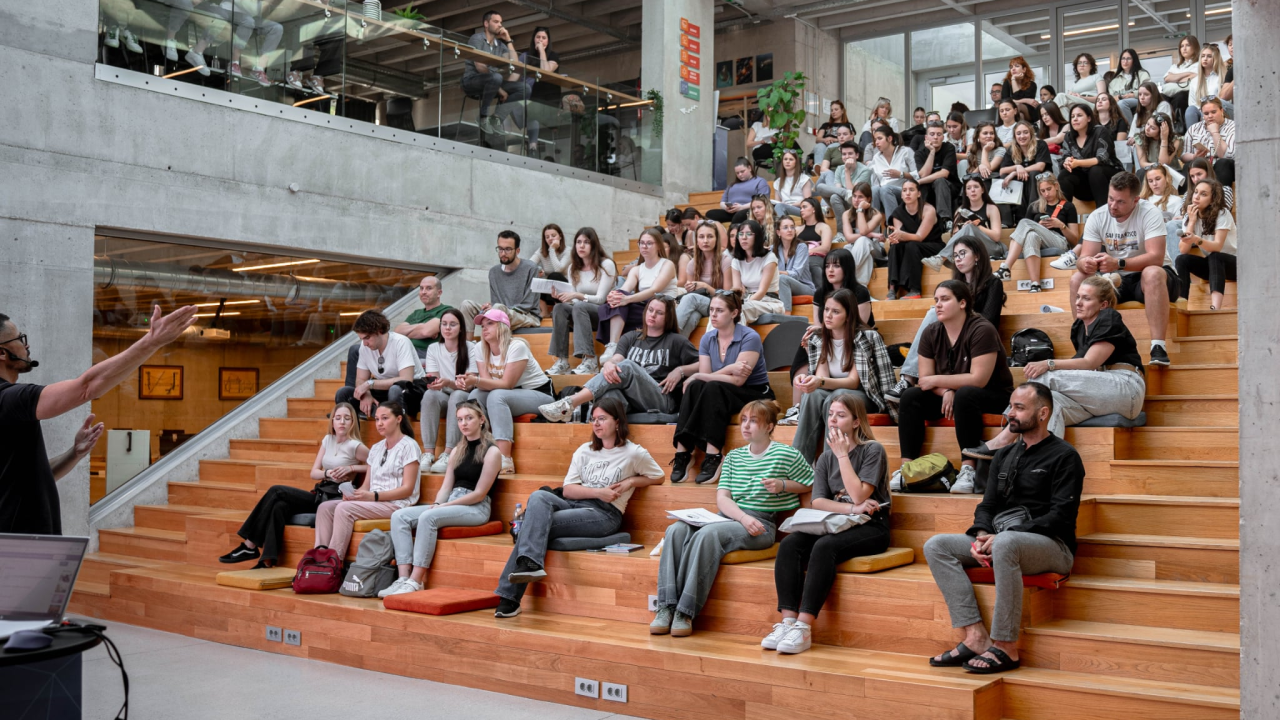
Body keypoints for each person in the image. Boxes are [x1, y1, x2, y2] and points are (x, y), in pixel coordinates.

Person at [924, 382, 1083, 674]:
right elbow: (987, 506)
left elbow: (1060, 516)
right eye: (1010, 406)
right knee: (937, 545)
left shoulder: (1064, 456)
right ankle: (975, 636)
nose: (1011, 413)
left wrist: (1004, 538)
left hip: (1052, 546)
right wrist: (981, 535)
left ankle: (1006, 647)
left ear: (1043, 412)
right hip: (1002, 539)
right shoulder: (1004, 455)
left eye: (1020, 408)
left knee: (1007, 543)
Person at [0, 305, 195, 534]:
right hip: (18, 548)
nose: (27, 345)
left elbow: (33, 477)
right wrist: (152, 341)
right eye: (20, 339)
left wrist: (74, 453)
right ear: (2, 353)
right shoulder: (8, 400)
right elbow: (87, 387)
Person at [652, 400, 813, 637]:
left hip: (762, 525)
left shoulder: (786, 454)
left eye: (754, 421)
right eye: (744, 420)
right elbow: (723, 499)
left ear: (769, 426)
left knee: (708, 534)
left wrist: (783, 485)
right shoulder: (734, 456)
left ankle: (685, 611)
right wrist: (742, 518)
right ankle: (666, 606)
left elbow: (811, 482)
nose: (746, 426)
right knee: (676, 530)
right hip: (731, 518)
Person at [495, 398, 666, 618]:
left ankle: (509, 597)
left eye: (602, 418)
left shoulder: (634, 453)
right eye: (593, 419)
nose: (596, 424)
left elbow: (659, 476)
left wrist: (631, 482)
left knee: (533, 524)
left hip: (604, 513)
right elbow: (568, 490)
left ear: (617, 421)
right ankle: (529, 565)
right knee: (539, 496)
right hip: (576, 503)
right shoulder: (584, 450)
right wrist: (598, 492)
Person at [966, 278, 1144, 463]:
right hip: (1098, 394)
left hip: (1125, 388)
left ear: (1104, 304)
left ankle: (1004, 438)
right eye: (1077, 297)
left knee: (1045, 376)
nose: (1078, 303)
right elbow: (1080, 371)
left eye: (1086, 298)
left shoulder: (1108, 317)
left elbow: (1090, 363)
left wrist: (1048, 363)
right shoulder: (1080, 328)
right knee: (1050, 404)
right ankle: (1042, 467)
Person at [767, 394, 889, 654]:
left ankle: (803, 627)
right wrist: (851, 508)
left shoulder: (872, 450)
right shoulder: (824, 458)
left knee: (824, 548)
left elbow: (859, 494)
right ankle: (788, 621)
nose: (833, 420)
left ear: (856, 422)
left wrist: (843, 456)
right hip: (834, 521)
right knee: (789, 544)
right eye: (831, 414)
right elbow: (818, 502)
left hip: (871, 526)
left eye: (841, 415)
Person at [894, 280, 1014, 495]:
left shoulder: (982, 329)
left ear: (962, 303)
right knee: (910, 396)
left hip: (993, 395)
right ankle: (907, 468)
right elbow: (925, 380)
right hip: (952, 394)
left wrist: (945, 387)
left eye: (945, 299)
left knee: (966, 394)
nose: (938, 305)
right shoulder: (931, 332)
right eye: (936, 300)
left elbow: (979, 379)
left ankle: (968, 468)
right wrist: (947, 390)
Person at [222, 402, 370, 567]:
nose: (342, 422)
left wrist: (351, 468)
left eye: (347, 418)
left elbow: (375, 463)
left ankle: (249, 545)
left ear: (352, 423)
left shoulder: (355, 446)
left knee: (276, 491)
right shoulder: (328, 440)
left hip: (334, 499)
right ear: (333, 422)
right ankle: (267, 560)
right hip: (320, 492)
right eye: (338, 418)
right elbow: (313, 472)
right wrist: (327, 473)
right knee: (279, 505)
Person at [380, 400, 500, 597]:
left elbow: (479, 493)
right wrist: (437, 503)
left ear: (481, 420)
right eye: (460, 419)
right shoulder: (456, 450)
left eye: (469, 418)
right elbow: (446, 486)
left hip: (476, 507)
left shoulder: (492, 451)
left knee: (429, 517)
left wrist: (444, 507)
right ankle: (403, 577)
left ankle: (416, 581)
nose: (464, 423)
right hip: (452, 501)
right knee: (399, 516)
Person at [1069, 171, 1175, 366]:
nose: (1113, 206)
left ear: (1136, 200)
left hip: (1154, 277)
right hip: (1117, 279)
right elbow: (1084, 257)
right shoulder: (1098, 215)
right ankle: (1084, 347)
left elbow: (1156, 258)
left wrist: (1118, 263)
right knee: (1077, 279)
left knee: (1152, 273)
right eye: (1110, 199)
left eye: (1120, 202)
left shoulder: (1150, 212)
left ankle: (1158, 346)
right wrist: (1084, 263)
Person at [669, 291, 775, 484]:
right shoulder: (707, 338)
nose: (713, 315)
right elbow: (706, 378)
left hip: (755, 392)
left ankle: (714, 455)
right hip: (721, 391)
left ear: (734, 313)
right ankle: (683, 452)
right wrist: (727, 369)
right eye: (711, 310)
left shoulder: (750, 337)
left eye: (719, 310)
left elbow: (738, 381)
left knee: (709, 386)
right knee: (696, 387)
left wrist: (700, 375)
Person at [887, 237, 1006, 406]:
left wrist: (955, 313)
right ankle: (908, 377)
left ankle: (908, 378)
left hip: (978, 342)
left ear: (977, 256)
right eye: (955, 255)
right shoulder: (954, 285)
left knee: (933, 313)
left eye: (963, 253)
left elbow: (989, 321)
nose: (957, 258)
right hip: (950, 340)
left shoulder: (993, 282)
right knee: (934, 313)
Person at [540, 296, 698, 422]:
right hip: (632, 397)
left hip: (662, 398)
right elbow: (616, 358)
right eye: (650, 310)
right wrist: (608, 364)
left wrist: (681, 370)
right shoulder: (631, 337)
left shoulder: (677, 341)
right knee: (609, 395)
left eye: (659, 313)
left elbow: (705, 364)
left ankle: (570, 403)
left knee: (627, 366)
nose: (652, 315)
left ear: (668, 317)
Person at [790, 289, 893, 462]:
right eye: (827, 309)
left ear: (848, 315)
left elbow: (853, 382)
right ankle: (798, 465)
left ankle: (830, 464)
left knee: (837, 399)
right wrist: (809, 381)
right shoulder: (820, 338)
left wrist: (819, 381)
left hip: (865, 395)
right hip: (836, 393)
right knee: (812, 395)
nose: (828, 315)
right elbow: (822, 381)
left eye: (836, 311)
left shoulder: (865, 337)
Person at [314, 401, 421, 562]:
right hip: (374, 501)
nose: (379, 423)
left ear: (399, 419)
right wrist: (355, 495)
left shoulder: (409, 446)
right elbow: (366, 486)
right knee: (325, 507)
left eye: (384, 418)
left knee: (344, 509)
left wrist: (373, 496)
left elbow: (407, 489)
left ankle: (334, 562)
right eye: (377, 419)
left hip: (397, 504)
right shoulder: (376, 448)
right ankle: (318, 557)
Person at [458, 309, 554, 474]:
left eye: (490, 323)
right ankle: (479, 451)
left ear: (502, 326)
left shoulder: (517, 346)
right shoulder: (480, 347)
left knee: (497, 396)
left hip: (541, 395)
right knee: (474, 396)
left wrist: (476, 380)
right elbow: (487, 384)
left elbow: (507, 384)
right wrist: (468, 381)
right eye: (482, 325)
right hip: (509, 395)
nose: (484, 328)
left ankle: (504, 458)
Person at [597, 228, 678, 360]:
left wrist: (626, 299)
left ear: (658, 245)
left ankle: (615, 346)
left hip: (664, 306)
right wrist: (615, 296)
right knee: (608, 306)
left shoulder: (667, 264)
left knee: (622, 303)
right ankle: (613, 345)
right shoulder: (636, 269)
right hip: (645, 306)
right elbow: (625, 289)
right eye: (641, 243)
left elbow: (654, 290)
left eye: (649, 243)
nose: (644, 246)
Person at [545, 227, 617, 376]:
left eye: (586, 242)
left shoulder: (606, 265)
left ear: (594, 245)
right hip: (581, 312)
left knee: (580, 306)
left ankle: (590, 361)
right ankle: (562, 361)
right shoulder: (573, 268)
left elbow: (600, 299)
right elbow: (573, 300)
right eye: (578, 242)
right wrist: (562, 297)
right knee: (559, 308)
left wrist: (577, 295)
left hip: (604, 313)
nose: (581, 246)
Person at [419, 308, 479, 473]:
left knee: (457, 395)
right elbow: (435, 380)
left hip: (465, 395)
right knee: (430, 394)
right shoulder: (433, 348)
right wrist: (436, 383)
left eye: (452, 324)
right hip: (445, 394)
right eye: (444, 324)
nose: (447, 328)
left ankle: (449, 453)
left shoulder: (471, 348)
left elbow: (469, 384)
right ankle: (429, 453)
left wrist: (449, 383)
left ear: (461, 328)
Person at [335, 309, 425, 418]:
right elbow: (360, 380)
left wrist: (369, 384)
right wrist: (366, 394)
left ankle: (397, 429)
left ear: (380, 331)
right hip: (383, 390)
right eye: (362, 339)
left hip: (411, 390)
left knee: (395, 389)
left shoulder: (401, 342)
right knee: (343, 393)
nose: (364, 343)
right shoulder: (364, 347)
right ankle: (353, 433)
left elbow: (405, 380)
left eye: (367, 338)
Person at [1000, 173, 1079, 291]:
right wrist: (1038, 227)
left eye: (1049, 189)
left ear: (1056, 186)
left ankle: (1006, 267)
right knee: (1031, 235)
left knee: (1025, 222)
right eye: (1042, 191)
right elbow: (1025, 233)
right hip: (1038, 241)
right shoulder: (1034, 207)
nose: (1046, 194)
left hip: (1060, 241)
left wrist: (1061, 225)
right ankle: (1035, 284)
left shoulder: (1068, 206)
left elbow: (1075, 241)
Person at [461, 11, 529, 138]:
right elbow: (479, 66)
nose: (500, 25)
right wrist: (500, 89)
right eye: (496, 22)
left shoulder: (500, 45)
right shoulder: (477, 38)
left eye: (501, 22)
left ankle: (496, 118)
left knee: (525, 88)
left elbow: (515, 63)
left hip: (493, 82)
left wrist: (508, 40)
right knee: (496, 77)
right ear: (486, 24)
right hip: (471, 81)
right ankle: (483, 116)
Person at [461, 230, 542, 336]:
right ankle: (468, 347)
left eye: (508, 249)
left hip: (526, 316)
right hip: (500, 312)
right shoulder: (494, 272)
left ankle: (493, 346)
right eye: (500, 249)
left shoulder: (531, 268)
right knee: (466, 305)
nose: (503, 253)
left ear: (517, 250)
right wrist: (489, 308)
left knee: (498, 308)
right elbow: (496, 302)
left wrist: (498, 308)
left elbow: (528, 304)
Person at [1175, 179, 1237, 311]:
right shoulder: (1189, 215)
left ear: (1213, 198)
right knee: (1182, 260)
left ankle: (1215, 308)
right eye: (1196, 192)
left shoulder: (1222, 213)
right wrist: (1191, 222)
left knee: (1215, 256)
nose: (1196, 196)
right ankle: (1182, 304)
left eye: (1203, 194)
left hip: (1235, 264)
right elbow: (1183, 250)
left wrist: (1196, 240)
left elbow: (1217, 246)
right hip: (1213, 265)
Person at [925, 176, 1005, 272]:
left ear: (982, 189)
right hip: (969, 250)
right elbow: (955, 236)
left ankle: (941, 258)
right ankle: (967, 261)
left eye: (976, 187)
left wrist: (977, 226)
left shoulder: (991, 208)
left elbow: (996, 236)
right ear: (965, 192)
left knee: (969, 227)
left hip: (992, 248)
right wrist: (963, 228)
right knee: (967, 228)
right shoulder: (960, 210)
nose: (973, 190)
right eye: (969, 188)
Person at [885, 177, 945, 300]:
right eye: (904, 190)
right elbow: (900, 236)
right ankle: (892, 289)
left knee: (912, 245)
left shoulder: (928, 209)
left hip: (932, 245)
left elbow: (919, 237)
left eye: (911, 190)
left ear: (918, 194)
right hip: (911, 246)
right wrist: (894, 238)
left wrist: (901, 236)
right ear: (901, 194)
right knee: (896, 246)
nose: (907, 193)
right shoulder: (898, 213)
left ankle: (915, 290)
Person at [1049, 104, 1122, 205]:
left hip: (1109, 181)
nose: (1075, 119)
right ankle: (1063, 214)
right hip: (1085, 186)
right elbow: (1065, 157)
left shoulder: (1100, 131)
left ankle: (1103, 213)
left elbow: (1102, 158)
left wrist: (1078, 162)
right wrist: (1067, 162)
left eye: (1079, 115)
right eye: (1072, 116)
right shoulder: (1069, 137)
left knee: (1095, 170)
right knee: (1064, 175)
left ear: (1088, 118)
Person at [676, 221, 732, 337]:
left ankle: (667, 335)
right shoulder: (692, 264)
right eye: (701, 237)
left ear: (717, 239)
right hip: (701, 304)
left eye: (710, 236)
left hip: (722, 303)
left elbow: (728, 295)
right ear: (697, 241)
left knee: (691, 299)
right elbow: (691, 293)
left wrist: (706, 287)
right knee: (693, 316)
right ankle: (674, 349)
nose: (705, 241)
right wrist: (690, 287)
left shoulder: (725, 261)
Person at [730, 220, 785, 324]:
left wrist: (739, 304)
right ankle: (710, 340)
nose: (744, 237)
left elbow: (761, 292)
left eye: (749, 234)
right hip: (749, 301)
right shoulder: (736, 261)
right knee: (721, 309)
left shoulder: (769, 257)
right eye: (741, 234)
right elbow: (737, 291)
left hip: (769, 302)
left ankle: (739, 340)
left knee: (738, 310)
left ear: (758, 237)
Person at [519, 26, 562, 155]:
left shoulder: (553, 55)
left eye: (544, 38)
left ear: (548, 41)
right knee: (533, 114)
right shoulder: (527, 57)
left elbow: (545, 71)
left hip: (549, 97)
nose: (540, 40)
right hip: (533, 96)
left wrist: (542, 51)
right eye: (538, 37)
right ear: (533, 39)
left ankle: (539, 146)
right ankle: (532, 147)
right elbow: (517, 74)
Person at [997, 120, 1052, 215]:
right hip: (1022, 182)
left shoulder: (1040, 144)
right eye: (1018, 134)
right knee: (1004, 178)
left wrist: (1016, 172)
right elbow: (1002, 171)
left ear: (1031, 134)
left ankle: (1032, 213)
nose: (1022, 136)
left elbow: (1040, 166)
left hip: (1040, 180)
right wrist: (1017, 167)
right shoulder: (1012, 149)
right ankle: (1007, 219)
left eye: (1025, 132)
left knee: (1034, 174)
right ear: (1015, 136)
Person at [840, 183, 888, 288]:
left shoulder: (876, 214)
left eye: (860, 197)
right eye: (854, 196)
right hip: (859, 251)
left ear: (868, 199)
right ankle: (862, 289)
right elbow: (849, 238)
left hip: (874, 248)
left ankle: (847, 276)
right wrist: (871, 234)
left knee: (863, 240)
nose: (856, 200)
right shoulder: (846, 214)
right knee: (845, 250)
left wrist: (860, 210)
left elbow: (863, 231)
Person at [1180, 97, 1235, 187]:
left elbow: (1227, 155)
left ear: (1221, 111)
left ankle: (1220, 198)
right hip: (1201, 165)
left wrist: (1215, 133)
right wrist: (1194, 156)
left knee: (1223, 163)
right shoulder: (1194, 128)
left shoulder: (1232, 126)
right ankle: (1188, 199)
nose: (1210, 116)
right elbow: (1183, 155)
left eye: (1213, 112)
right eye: (1206, 113)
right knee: (1188, 166)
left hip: (1222, 166)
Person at [813, 248, 875, 327]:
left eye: (836, 266)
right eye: (827, 266)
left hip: (858, 336)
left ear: (847, 268)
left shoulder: (860, 292)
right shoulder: (820, 293)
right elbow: (818, 325)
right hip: (829, 336)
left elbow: (860, 326)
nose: (830, 270)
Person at [867, 125, 918, 220]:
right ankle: (874, 229)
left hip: (902, 191)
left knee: (885, 189)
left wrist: (901, 174)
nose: (876, 142)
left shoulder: (906, 152)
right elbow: (875, 183)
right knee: (874, 190)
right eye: (875, 140)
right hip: (883, 193)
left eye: (879, 138)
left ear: (889, 138)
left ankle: (892, 226)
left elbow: (918, 175)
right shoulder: (876, 158)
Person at [393, 276, 450, 359]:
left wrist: (408, 334)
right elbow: (397, 332)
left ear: (439, 293)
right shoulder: (416, 313)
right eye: (421, 288)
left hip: (427, 354)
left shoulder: (447, 311)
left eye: (429, 288)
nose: (423, 292)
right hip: (407, 351)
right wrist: (422, 326)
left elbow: (426, 332)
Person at [815, 141, 873, 222]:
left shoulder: (865, 170)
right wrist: (846, 193)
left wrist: (847, 171)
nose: (847, 157)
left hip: (858, 203)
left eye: (850, 153)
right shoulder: (839, 168)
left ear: (857, 155)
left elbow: (855, 192)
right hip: (844, 200)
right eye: (844, 154)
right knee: (821, 187)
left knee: (836, 196)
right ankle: (841, 231)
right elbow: (837, 190)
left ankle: (842, 229)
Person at [914, 120, 958, 223]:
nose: (935, 137)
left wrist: (919, 181)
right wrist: (932, 152)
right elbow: (924, 174)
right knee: (921, 188)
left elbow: (944, 173)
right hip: (928, 188)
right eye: (932, 134)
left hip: (950, 187)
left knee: (940, 181)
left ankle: (945, 220)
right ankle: (920, 220)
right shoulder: (919, 153)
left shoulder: (949, 148)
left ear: (943, 137)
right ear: (926, 138)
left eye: (939, 134)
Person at [706, 158, 771, 224]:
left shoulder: (760, 181)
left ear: (749, 168)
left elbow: (763, 200)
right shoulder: (731, 185)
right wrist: (726, 208)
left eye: (742, 171)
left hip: (749, 210)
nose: (740, 174)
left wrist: (741, 207)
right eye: (737, 173)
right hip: (731, 212)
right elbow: (722, 202)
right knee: (710, 214)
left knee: (739, 215)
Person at [773, 215, 816, 311]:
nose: (790, 230)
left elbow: (795, 275)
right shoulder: (774, 249)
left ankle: (786, 316)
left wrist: (775, 272)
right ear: (778, 232)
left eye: (792, 227)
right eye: (785, 227)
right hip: (782, 286)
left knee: (782, 279)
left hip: (804, 287)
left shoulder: (801, 247)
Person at [529, 223, 572, 315]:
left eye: (553, 235)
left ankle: (559, 308)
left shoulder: (568, 251)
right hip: (549, 289)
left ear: (560, 236)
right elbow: (529, 265)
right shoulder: (541, 251)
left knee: (555, 275)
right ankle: (544, 309)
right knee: (531, 278)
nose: (550, 239)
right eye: (547, 237)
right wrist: (539, 272)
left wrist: (552, 250)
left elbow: (558, 269)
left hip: (566, 287)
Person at [1185, 44, 1231, 129]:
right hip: (1202, 113)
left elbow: (1226, 103)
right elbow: (1193, 104)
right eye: (1203, 56)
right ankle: (1193, 139)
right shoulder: (1194, 81)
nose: (1205, 59)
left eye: (1209, 56)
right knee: (1190, 110)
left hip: (1219, 113)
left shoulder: (1222, 77)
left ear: (1215, 59)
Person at [1162, 35, 1201, 125]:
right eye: (1182, 46)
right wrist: (1187, 74)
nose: (1184, 48)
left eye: (1187, 45)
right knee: (1161, 98)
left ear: (1194, 47)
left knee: (1180, 97)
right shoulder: (1176, 66)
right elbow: (1167, 78)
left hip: (1187, 95)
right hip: (1170, 94)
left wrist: (1175, 77)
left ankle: (1180, 128)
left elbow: (1196, 77)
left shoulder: (1199, 64)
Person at [798, 198, 835, 288]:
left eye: (804, 207)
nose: (801, 210)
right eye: (800, 208)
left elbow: (825, 248)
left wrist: (805, 252)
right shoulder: (797, 229)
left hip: (816, 257)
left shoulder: (823, 227)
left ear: (814, 209)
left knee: (811, 262)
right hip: (799, 258)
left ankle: (821, 291)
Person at [1126, 82, 1173, 146]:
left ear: (1154, 96)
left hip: (1160, 144)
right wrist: (1131, 140)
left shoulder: (1163, 105)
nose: (1142, 98)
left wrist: (1138, 138)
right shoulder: (1138, 114)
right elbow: (1132, 135)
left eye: (1146, 94)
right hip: (1142, 147)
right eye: (1140, 94)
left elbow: (1160, 128)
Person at [1110, 49, 1150, 125]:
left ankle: (1130, 129)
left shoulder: (1143, 74)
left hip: (1138, 100)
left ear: (1134, 60)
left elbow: (1148, 90)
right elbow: (1111, 97)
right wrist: (1114, 98)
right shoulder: (1114, 81)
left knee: (1122, 103)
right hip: (1119, 102)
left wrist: (1132, 95)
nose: (1125, 61)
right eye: (1123, 58)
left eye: (1128, 59)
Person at [772, 149, 813, 217]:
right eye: (785, 159)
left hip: (800, 208)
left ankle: (782, 225)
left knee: (780, 207)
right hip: (783, 208)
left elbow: (808, 200)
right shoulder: (777, 182)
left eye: (791, 159)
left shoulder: (804, 179)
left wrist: (791, 205)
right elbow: (777, 202)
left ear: (796, 162)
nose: (787, 161)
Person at [1000, 56, 1039, 121]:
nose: (1013, 69)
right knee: (1020, 115)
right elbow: (1004, 101)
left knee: (1018, 106)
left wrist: (1018, 101)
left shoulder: (1032, 84)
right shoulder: (1007, 83)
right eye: (1011, 67)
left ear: (1024, 69)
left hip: (1029, 112)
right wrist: (1026, 100)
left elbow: (1017, 98)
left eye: (1017, 66)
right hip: (1014, 113)